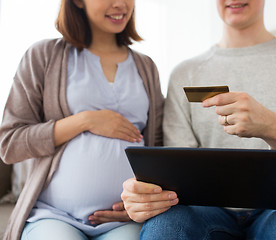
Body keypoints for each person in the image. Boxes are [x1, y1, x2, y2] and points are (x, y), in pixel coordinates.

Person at [121, 0, 276, 239]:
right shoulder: (185, 73)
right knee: (165, 228)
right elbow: (176, 177)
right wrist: (146, 194)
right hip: (204, 212)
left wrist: (275, 128)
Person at [0, 0, 163, 239]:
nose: (120, 4)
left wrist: (141, 206)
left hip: (124, 219)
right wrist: (84, 121)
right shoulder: (43, 55)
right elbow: (10, 143)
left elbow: (159, 147)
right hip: (54, 215)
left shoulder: (146, 67)